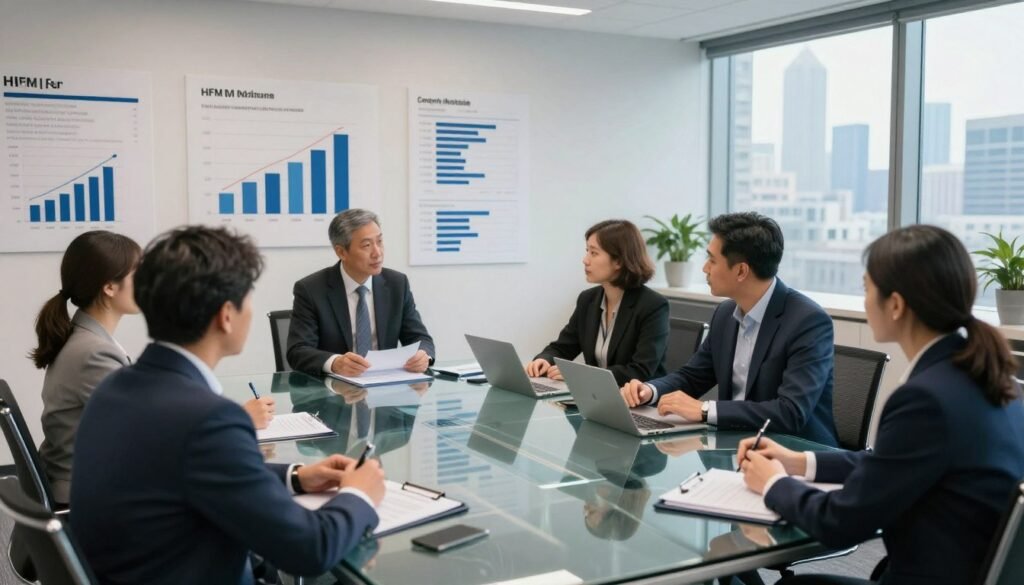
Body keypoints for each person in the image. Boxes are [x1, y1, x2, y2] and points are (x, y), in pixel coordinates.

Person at [70, 226, 386, 584]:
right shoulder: (207, 420)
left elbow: (187, 470)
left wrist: (297, 476)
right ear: (226, 315)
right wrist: (359, 494)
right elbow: (311, 550)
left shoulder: (117, 387)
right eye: (248, 298)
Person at [739, 225, 1024, 585]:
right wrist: (799, 462)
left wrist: (774, 484)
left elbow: (839, 523)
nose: (863, 301)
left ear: (895, 305)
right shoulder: (989, 378)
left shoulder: (926, 399)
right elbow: (892, 461)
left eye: (866, 289)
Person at [31, 231, 274, 505]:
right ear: (109, 287)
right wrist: (238, 420)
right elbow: (147, 436)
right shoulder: (93, 352)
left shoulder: (87, 337)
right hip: (88, 495)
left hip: (88, 476)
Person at [621, 212, 838, 445]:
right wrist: (650, 391)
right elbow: (693, 376)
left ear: (741, 271)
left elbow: (790, 412)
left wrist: (705, 410)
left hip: (793, 452)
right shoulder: (725, 314)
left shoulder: (808, 321)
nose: (705, 268)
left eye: (712, 260)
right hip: (733, 444)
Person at [287, 208, 435, 378]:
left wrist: (424, 355)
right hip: (334, 394)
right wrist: (335, 363)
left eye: (379, 242)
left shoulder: (397, 284)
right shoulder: (311, 289)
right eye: (366, 245)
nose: (377, 253)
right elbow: (298, 351)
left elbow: (420, 338)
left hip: (386, 390)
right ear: (341, 252)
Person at [525, 219, 669, 386]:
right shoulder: (588, 300)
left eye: (594, 253)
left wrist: (581, 374)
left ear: (619, 261)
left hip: (639, 403)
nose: (585, 260)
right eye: (587, 251)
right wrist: (545, 360)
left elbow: (640, 371)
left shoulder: (653, 305)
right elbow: (563, 347)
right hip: (597, 396)